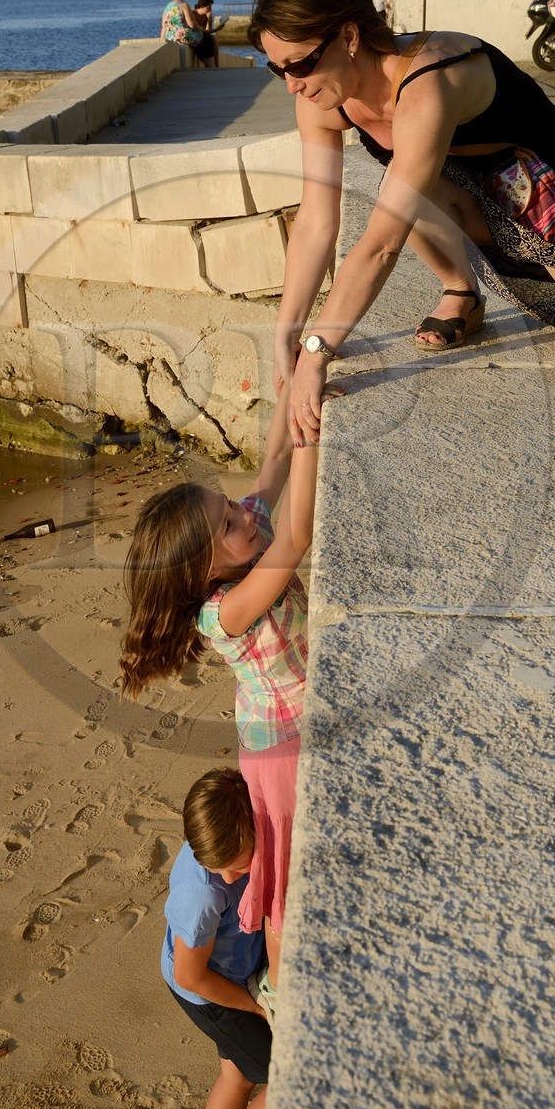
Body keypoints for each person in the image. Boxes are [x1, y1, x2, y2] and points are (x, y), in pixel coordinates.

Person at [246, 0, 555, 445]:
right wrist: (288, 330)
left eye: (300, 65)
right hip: (472, 201)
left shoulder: (429, 80)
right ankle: (462, 290)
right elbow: (315, 221)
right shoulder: (321, 101)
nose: (291, 85)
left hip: (549, 203)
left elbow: (381, 245)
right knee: (402, 182)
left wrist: (317, 349)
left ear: (348, 38)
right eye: (275, 69)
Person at [121, 382, 319, 1017]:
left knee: (297, 866)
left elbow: (268, 471)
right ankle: (282, 991)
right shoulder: (224, 612)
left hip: (284, 725)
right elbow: (296, 540)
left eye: (229, 507)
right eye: (227, 523)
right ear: (203, 570)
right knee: (287, 879)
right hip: (280, 752)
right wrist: (315, 438)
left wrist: (292, 400)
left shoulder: (239, 540)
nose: (242, 515)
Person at [163, 768, 270, 1109]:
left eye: (237, 864)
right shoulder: (205, 893)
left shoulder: (228, 834)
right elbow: (192, 975)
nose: (232, 876)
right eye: (226, 869)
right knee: (285, 1081)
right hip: (213, 993)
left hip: (225, 977)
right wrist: (256, 1008)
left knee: (235, 1075)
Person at [161, 0, 217, 67]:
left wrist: (162, 41)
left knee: (199, 39)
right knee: (207, 38)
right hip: (181, 36)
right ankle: (210, 65)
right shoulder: (183, 4)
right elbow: (192, 25)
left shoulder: (167, 7)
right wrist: (203, 29)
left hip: (169, 38)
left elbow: (163, 28)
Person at [192, 0, 220, 67]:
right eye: (208, 7)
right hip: (197, 39)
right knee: (211, 39)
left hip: (204, 39)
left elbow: (208, 31)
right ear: (202, 6)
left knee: (212, 38)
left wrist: (209, 20)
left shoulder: (206, 15)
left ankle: (215, 65)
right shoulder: (193, 14)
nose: (210, 10)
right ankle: (215, 66)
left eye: (211, 7)